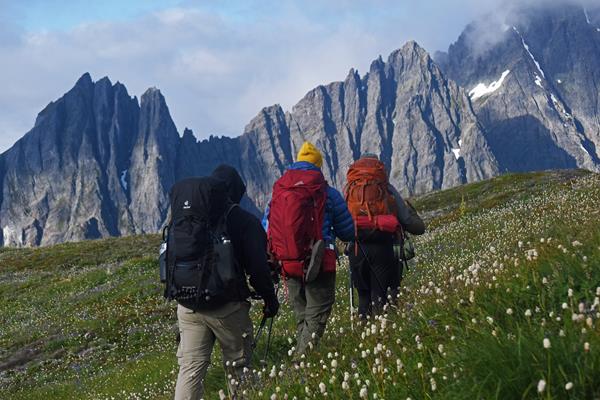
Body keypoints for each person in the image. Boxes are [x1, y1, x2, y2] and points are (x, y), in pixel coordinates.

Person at [173, 165, 279, 400]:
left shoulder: (190, 217)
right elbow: (259, 269)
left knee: (190, 369)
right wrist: (270, 299)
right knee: (238, 365)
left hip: (188, 304)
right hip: (227, 306)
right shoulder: (244, 221)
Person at [263, 141, 354, 355]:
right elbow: (348, 232)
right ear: (318, 166)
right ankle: (301, 362)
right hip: (318, 262)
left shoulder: (279, 191)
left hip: (287, 263)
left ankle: (304, 358)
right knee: (318, 310)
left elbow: (266, 226)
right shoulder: (326, 192)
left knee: (302, 313)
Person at [346, 153, 425, 318]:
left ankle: (363, 336)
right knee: (381, 301)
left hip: (356, 250)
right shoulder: (386, 188)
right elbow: (409, 222)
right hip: (383, 249)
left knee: (364, 299)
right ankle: (383, 338)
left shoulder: (350, 189)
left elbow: (342, 223)